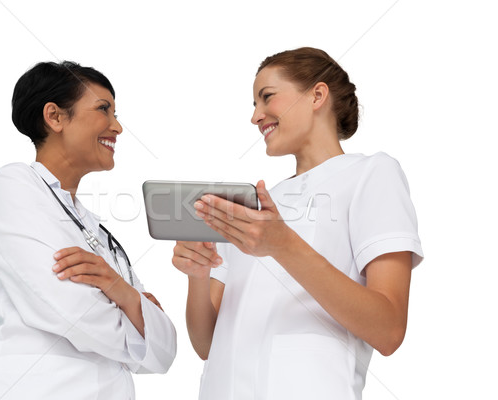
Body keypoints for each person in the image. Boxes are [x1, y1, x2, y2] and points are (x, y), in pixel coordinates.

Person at [172, 47, 423, 399]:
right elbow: (206, 345)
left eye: (267, 98)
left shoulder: (371, 174)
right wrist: (197, 277)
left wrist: (283, 245)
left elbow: (389, 330)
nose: (256, 116)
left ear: (317, 96)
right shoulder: (251, 211)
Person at [0, 61, 176, 400]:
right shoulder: (12, 186)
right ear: (55, 117)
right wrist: (133, 311)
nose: (117, 127)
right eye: (103, 109)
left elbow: (163, 351)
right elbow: (73, 312)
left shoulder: (92, 226)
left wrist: (120, 289)